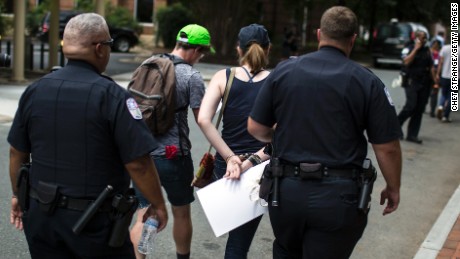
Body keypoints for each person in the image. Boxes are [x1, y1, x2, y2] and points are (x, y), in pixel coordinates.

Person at [7, 13, 168, 258]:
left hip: (41, 216)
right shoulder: (113, 97)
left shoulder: (35, 90)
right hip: (95, 223)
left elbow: (16, 152)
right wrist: (157, 203)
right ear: (99, 48)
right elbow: (138, 163)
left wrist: (18, 195)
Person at [247, 6, 402, 258]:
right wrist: (393, 187)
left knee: (286, 250)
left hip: (286, 193)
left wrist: (283, 135)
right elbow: (387, 146)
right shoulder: (366, 81)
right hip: (338, 197)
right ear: (352, 39)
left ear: (319, 34)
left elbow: (255, 127)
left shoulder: (284, 71)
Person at [129, 24, 212, 259]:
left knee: (145, 213)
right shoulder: (191, 76)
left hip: (143, 155)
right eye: (203, 52)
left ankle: (139, 257)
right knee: (181, 212)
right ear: (195, 50)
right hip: (174, 156)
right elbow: (202, 120)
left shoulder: (148, 65)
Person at [197, 23, 272, 258]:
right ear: (267, 49)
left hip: (226, 165)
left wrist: (230, 158)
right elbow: (281, 130)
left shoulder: (224, 76)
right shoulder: (276, 80)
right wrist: (252, 159)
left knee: (235, 238)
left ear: (238, 49)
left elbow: (203, 119)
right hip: (261, 165)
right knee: (240, 242)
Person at [397, 30, 435, 144]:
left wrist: (435, 79)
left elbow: (431, 65)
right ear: (416, 38)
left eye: (425, 38)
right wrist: (416, 49)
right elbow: (406, 62)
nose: (423, 40)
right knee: (410, 106)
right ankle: (396, 126)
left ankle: (412, 135)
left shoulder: (427, 50)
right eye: (421, 38)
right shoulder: (408, 48)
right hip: (411, 81)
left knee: (419, 109)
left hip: (424, 82)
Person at [436, 43, 453, 122]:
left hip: (444, 75)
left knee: (443, 94)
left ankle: (440, 106)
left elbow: (440, 62)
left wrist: (437, 74)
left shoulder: (445, 48)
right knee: (451, 96)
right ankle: (445, 116)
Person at [428, 39, 441, 117]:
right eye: (434, 44)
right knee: (426, 93)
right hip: (427, 75)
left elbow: (440, 64)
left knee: (434, 93)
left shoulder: (440, 53)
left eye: (437, 45)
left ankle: (432, 110)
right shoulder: (429, 52)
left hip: (436, 75)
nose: (435, 46)